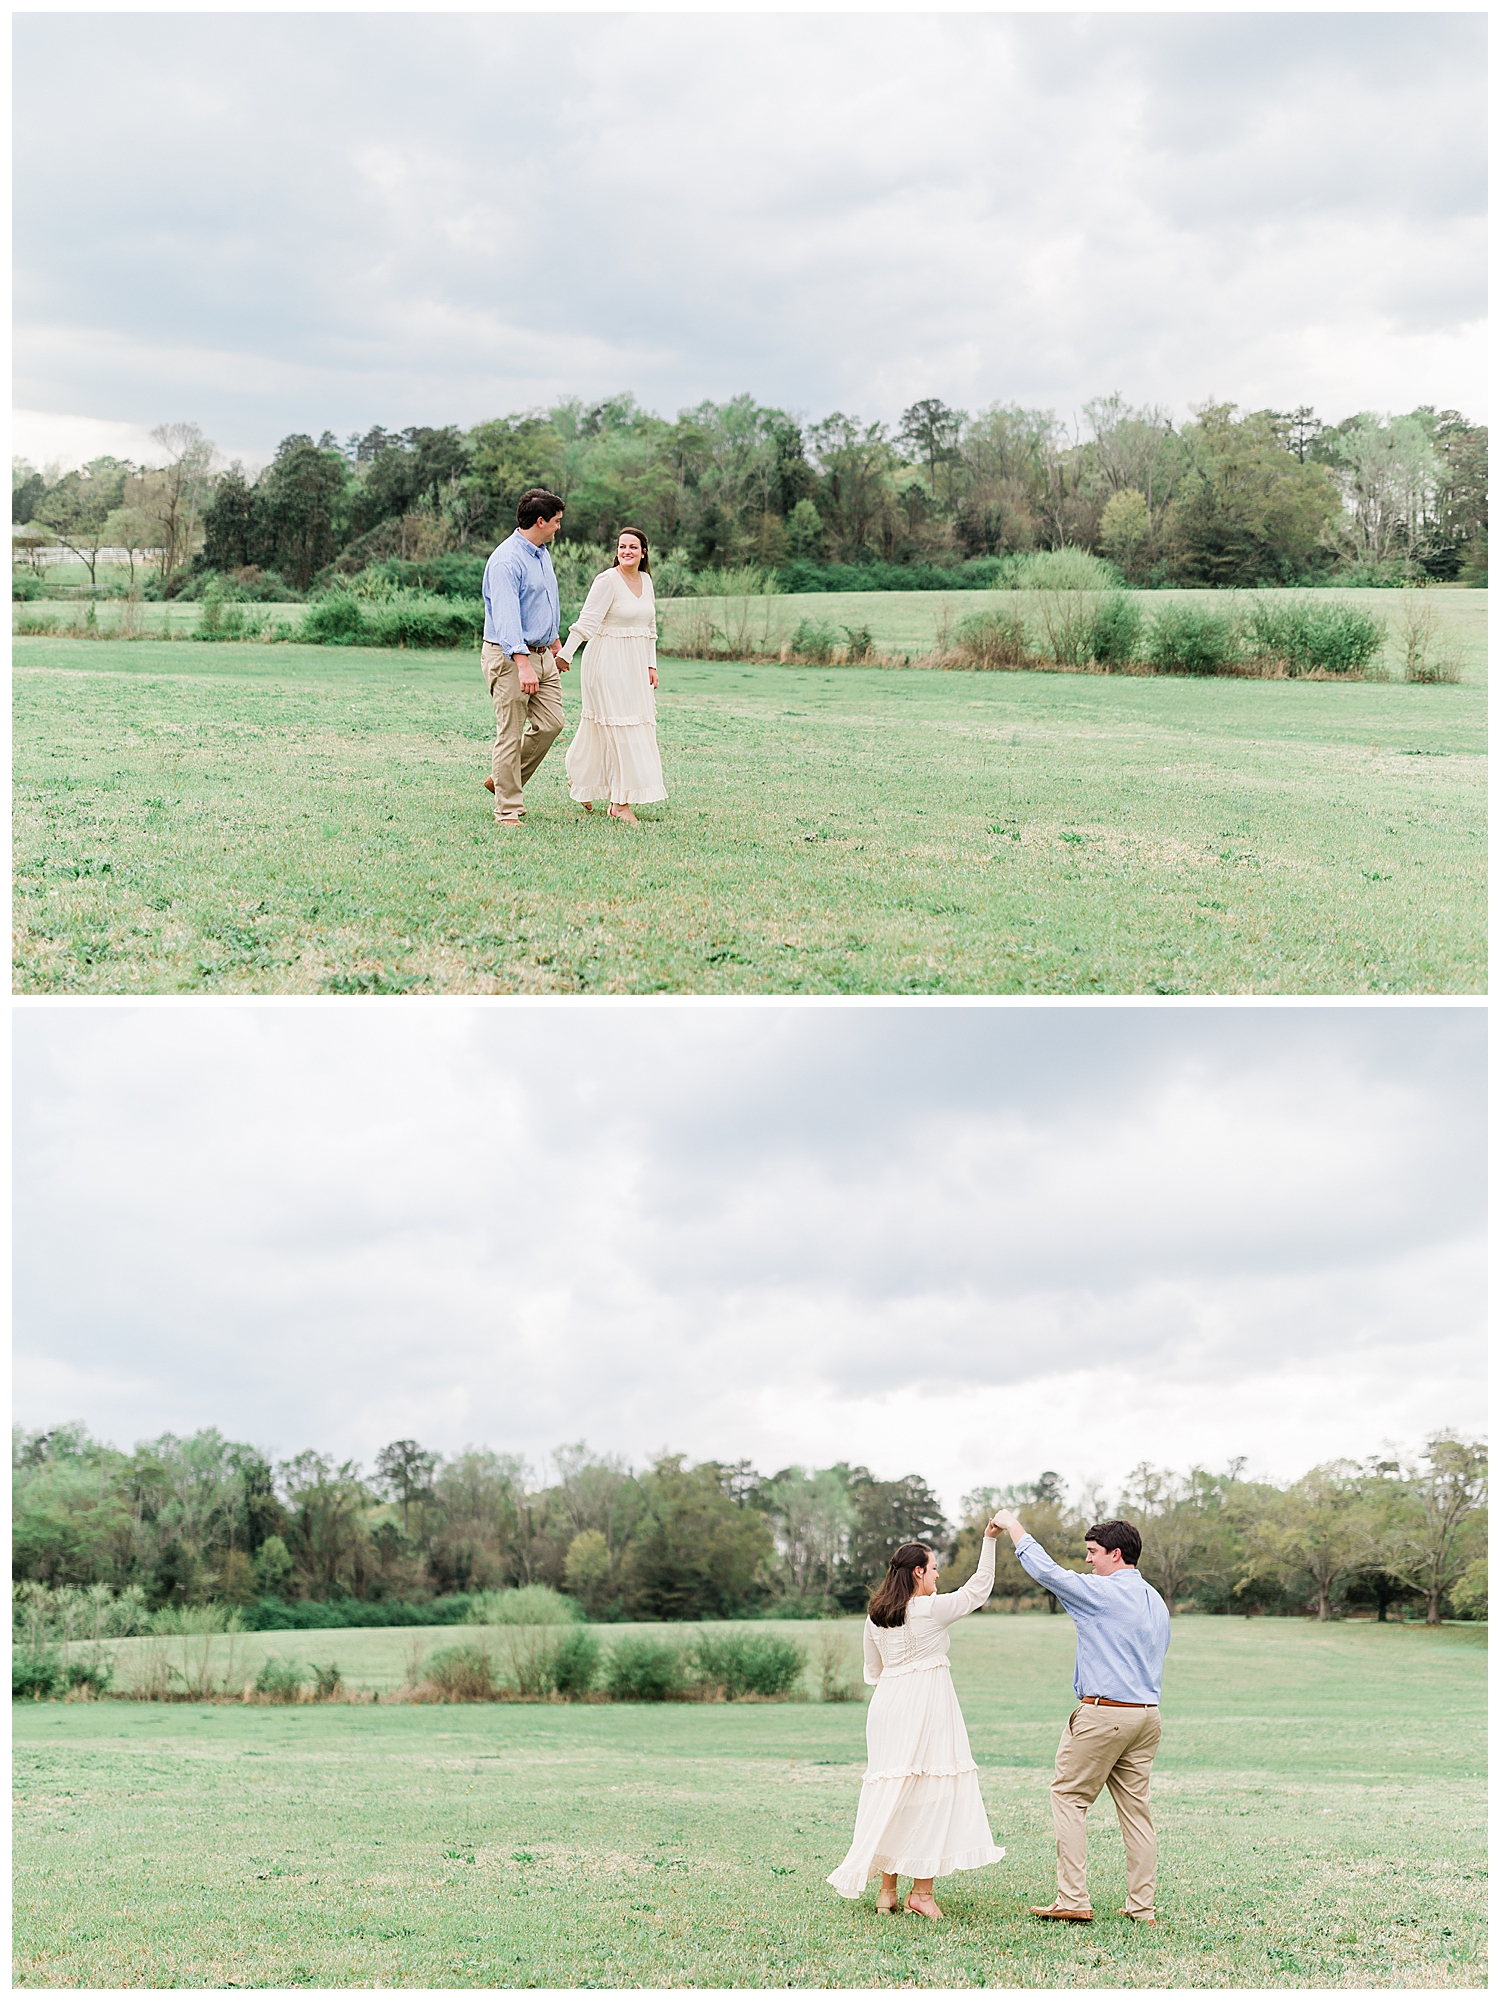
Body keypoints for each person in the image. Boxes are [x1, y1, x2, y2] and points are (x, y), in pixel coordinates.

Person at [991, 1510, 1170, 1927]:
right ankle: (1141, 1908)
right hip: (1147, 1718)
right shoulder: (1156, 1601)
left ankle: (1073, 1898)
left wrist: (1011, 1525)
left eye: (1092, 1553)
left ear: (1116, 1554)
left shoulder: (1102, 1593)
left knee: (1069, 1797)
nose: (1088, 1561)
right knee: (1137, 1814)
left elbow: (1048, 1572)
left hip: (1105, 1715)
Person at [826, 1519, 1007, 1917]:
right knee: (931, 1792)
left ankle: (887, 1892)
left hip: (888, 1707)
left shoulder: (875, 1614)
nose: (939, 1574)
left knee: (894, 1792)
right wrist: (989, 1540)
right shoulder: (928, 1608)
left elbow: (872, 1672)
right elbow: (978, 1588)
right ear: (917, 1573)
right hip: (927, 1704)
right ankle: (920, 1894)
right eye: (935, 1567)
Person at [558, 526, 666, 824]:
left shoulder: (646, 580)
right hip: (606, 661)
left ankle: (581, 778)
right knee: (619, 728)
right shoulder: (607, 580)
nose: (626, 551)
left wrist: (650, 665)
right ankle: (620, 803)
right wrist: (565, 654)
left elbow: (650, 628)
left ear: (644, 552)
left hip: (633, 663)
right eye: (622, 547)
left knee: (623, 727)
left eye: (633, 547)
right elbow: (586, 622)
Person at [480, 489, 569, 826]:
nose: (559, 528)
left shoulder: (540, 553)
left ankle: (502, 780)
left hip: (544, 653)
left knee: (552, 724)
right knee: (510, 732)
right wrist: (522, 664)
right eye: (556, 521)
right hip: (512, 659)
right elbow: (506, 618)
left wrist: (556, 642)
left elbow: (542, 603)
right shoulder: (506, 561)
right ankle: (507, 809)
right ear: (540, 521)